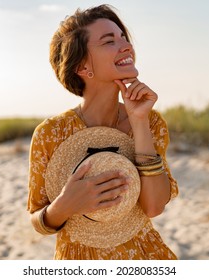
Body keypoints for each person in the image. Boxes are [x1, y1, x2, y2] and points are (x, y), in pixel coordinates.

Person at [27, 4, 178, 260]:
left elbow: (154, 207)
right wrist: (66, 204)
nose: (126, 46)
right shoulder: (51, 134)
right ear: (83, 67)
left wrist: (138, 122)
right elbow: (38, 219)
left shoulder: (151, 122)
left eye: (124, 38)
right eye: (109, 41)